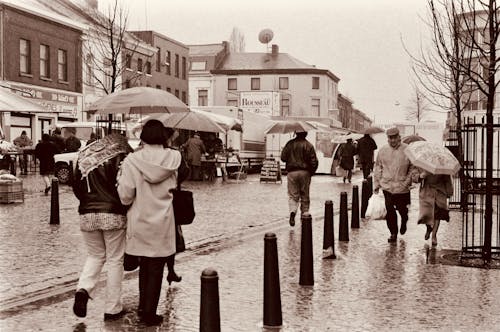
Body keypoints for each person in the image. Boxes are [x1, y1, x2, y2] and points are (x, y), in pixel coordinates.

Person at [117, 120, 189, 326]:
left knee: (145, 266)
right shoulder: (174, 158)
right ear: (163, 136)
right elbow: (179, 181)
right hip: (164, 220)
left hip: (140, 219)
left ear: (143, 137)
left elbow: (125, 195)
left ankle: (143, 308)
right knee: (156, 267)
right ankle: (149, 312)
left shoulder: (132, 160)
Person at [71, 133, 133, 321]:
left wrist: (88, 203)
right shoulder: (122, 154)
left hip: (87, 214)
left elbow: (76, 186)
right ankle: (113, 307)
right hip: (113, 213)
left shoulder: (84, 154)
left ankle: (83, 289)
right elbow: (125, 186)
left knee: (95, 255)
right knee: (115, 259)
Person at [373, 127, 413, 243]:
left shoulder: (407, 150)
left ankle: (404, 220)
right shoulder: (383, 151)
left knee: (402, 210)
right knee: (390, 211)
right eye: (390, 138)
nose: (393, 140)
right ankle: (393, 233)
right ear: (388, 139)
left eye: (395, 138)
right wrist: (377, 183)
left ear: (399, 137)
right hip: (387, 186)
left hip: (402, 188)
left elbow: (412, 167)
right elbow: (378, 167)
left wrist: (407, 181)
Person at [280, 130, 318, 227]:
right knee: (305, 195)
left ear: (296, 133)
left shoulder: (290, 144)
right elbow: (314, 161)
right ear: (306, 134)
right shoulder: (309, 145)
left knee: (293, 195)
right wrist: (311, 172)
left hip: (292, 173)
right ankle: (304, 215)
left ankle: (293, 212)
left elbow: (283, 158)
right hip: (305, 172)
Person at [412, 169, 453, 246]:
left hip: (440, 192)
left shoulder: (442, 166)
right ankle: (428, 227)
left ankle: (434, 235)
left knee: (438, 214)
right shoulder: (422, 164)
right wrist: (420, 176)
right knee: (426, 214)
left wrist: (449, 191)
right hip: (426, 192)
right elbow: (414, 177)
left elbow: (447, 180)